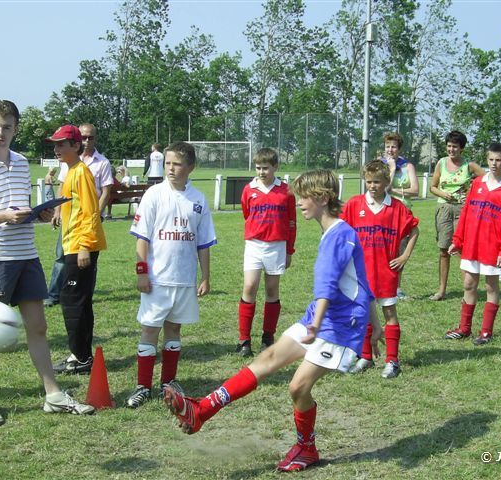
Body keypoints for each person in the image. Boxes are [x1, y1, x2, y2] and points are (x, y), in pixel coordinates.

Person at [162, 169, 382, 472]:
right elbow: (362, 282)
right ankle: (202, 409)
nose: (299, 202)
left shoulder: (339, 235)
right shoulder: (336, 233)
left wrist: (320, 325)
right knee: (267, 358)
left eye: (304, 197)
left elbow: (328, 286)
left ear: (323, 198)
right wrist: (376, 324)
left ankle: (307, 447)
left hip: (339, 327)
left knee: (297, 388)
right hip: (321, 317)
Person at [0, 100, 95, 425]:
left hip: (26, 253)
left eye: (7, 127)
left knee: (38, 326)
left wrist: (40, 214)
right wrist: (3, 216)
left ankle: (53, 394)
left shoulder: (22, 163)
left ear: (16, 129)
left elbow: (19, 209)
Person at [125, 142, 216, 408]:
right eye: (167, 163)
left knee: (174, 328)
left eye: (176, 164)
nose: (171, 169)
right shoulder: (154, 194)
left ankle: (168, 381)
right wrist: (142, 272)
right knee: (150, 329)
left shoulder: (198, 200)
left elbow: (203, 242)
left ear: (190, 167)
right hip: (157, 279)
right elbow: (142, 237)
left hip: (184, 278)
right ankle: (143, 385)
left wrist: (205, 277)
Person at [342, 160, 419, 378]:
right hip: (360, 271)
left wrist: (404, 256)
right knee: (363, 312)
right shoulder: (354, 204)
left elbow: (414, 231)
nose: (373, 186)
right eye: (368, 182)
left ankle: (392, 361)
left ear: (387, 181)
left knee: (389, 313)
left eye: (377, 181)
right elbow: (343, 232)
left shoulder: (397, 208)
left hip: (386, 271)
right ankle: (365, 356)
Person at [45, 125, 107, 374]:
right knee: (77, 301)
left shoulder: (82, 172)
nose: (56, 148)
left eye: (61, 144)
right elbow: (69, 201)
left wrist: (83, 246)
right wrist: (57, 211)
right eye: (55, 144)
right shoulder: (70, 171)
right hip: (72, 243)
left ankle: (80, 358)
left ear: (75, 145)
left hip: (81, 246)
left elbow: (91, 211)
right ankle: (81, 355)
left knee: (73, 301)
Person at [444, 142, 501, 345]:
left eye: (499, 160)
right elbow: (466, 213)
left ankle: (486, 332)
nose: (494, 164)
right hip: (472, 245)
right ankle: (464, 328)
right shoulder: (477, 183)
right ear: (487, 160)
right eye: (491, 159)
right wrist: (457, 240)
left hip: (493, 247)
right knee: (468, 284)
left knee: (490, 286)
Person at [45, 123, 113, 309]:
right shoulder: (70, 161)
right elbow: (63, 187)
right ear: (78, 140)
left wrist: (95, 216)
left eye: (90, 137)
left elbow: (105, 191)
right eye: (83, 137)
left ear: (95, 139)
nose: (87, 140)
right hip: (70, 221)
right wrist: (58, 211)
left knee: (85, 263)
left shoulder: (101, 163)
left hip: (85, 222)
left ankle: (82, 294)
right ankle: (54, 294)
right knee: (61, 256)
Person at [236, 147, 296, 357]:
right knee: (250, 286)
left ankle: (268, 337)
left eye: (266, 168)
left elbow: (291, 222)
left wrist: (289, 249)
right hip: (254, 244)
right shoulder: (249, 189)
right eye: (258, 168)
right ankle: (244, 339)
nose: (261, 172)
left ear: (275, 167)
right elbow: (246, 213)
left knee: (272, 290)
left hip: (277, 245)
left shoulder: (285, 190)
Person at [429, 131, 485, 301]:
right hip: (444, 209)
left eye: (455, 146)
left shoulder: (469, 166)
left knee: (462, 250)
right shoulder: (441, 163)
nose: (451, 149)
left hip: (463, 210)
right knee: (444, 250)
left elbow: (486, 180)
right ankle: (441, 290)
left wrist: (472, 193)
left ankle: (466, 291)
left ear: (461, 148)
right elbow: (433, 186)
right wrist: (443, 194)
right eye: (449, 146)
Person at [381, 132, 419, 299]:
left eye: (394, 146)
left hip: (403, 213)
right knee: (382, 250)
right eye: (388, 146)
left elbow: (415, 191)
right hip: (384, 212)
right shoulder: (379, 165)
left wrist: (395, 190)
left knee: (399, 249)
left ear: (399, 148)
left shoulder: (407, 166)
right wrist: (390, 168)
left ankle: (397, 288)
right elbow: (383, 188)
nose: (390, 150)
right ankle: (381, 284)